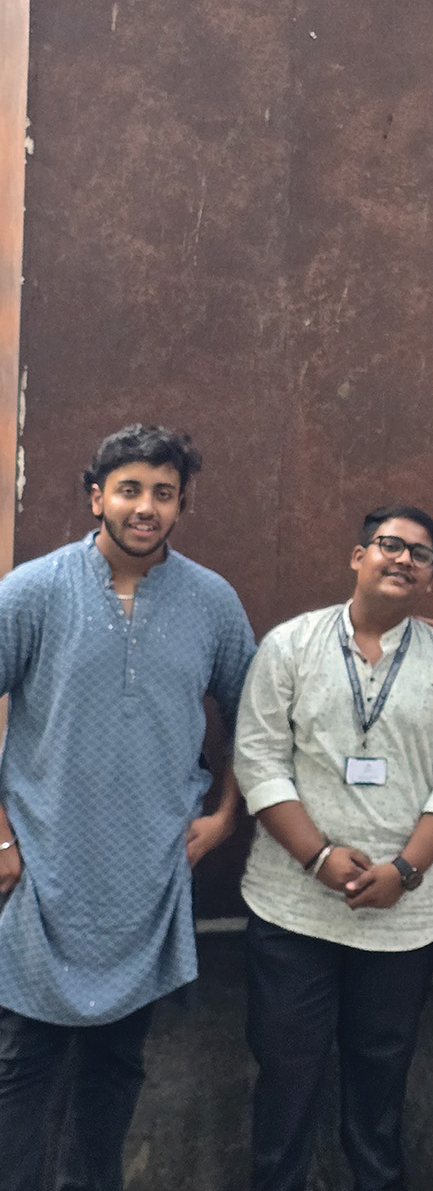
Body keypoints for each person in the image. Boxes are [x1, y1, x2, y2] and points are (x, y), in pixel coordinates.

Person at [0, 424, 255, 1191]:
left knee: (116, 1066)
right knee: (22, 1064)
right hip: (41, 868)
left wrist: (226, 814)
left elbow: (253, 712)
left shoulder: (211, 601)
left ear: (180, 506)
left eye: (163, 493)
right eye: (130, 489)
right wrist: (1, 836)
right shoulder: (34, 590)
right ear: (96, 497)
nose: (146, 507)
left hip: (148, 873)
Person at [234, 505, 433, 1191]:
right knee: (286, 1072)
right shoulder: (290, 645)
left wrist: (405, 869)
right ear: (358, 556)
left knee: (382, 1076)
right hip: (293, 908)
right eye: (389, 545)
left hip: (404, 914)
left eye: (420, 554)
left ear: (431, 577)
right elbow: (257, 759)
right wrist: (317, 857)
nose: (403, 559)